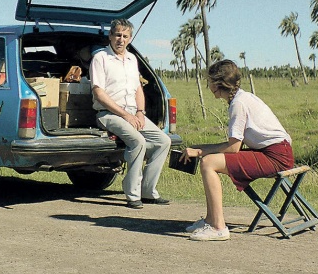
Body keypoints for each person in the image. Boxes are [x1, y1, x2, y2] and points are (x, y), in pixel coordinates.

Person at [180, 59, 294, 241]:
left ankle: (218, 227)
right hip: (278, 152)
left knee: (208, 162)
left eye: (209, 81)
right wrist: (201, 148)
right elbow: (234, 144)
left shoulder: (238, 104)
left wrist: (201, 151)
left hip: (276, 157)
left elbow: (233, 147)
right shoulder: (243, 97)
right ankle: (210, 219)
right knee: (209, 158)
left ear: (219, 84)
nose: (208, 85)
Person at [90, 18, 172, 209]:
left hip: (133, 113)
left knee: (163, 141)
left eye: (125, 36)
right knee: (138, 141)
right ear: (110, 36)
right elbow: (99, 93)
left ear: (130, 38)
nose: (121, 39)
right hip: (108, 114)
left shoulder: (132, 59)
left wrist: (140, 112)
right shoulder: (101, 58)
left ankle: (148, 191)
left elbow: (137, 89)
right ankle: (132, 194)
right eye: (118, 35)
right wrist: (125, 115)